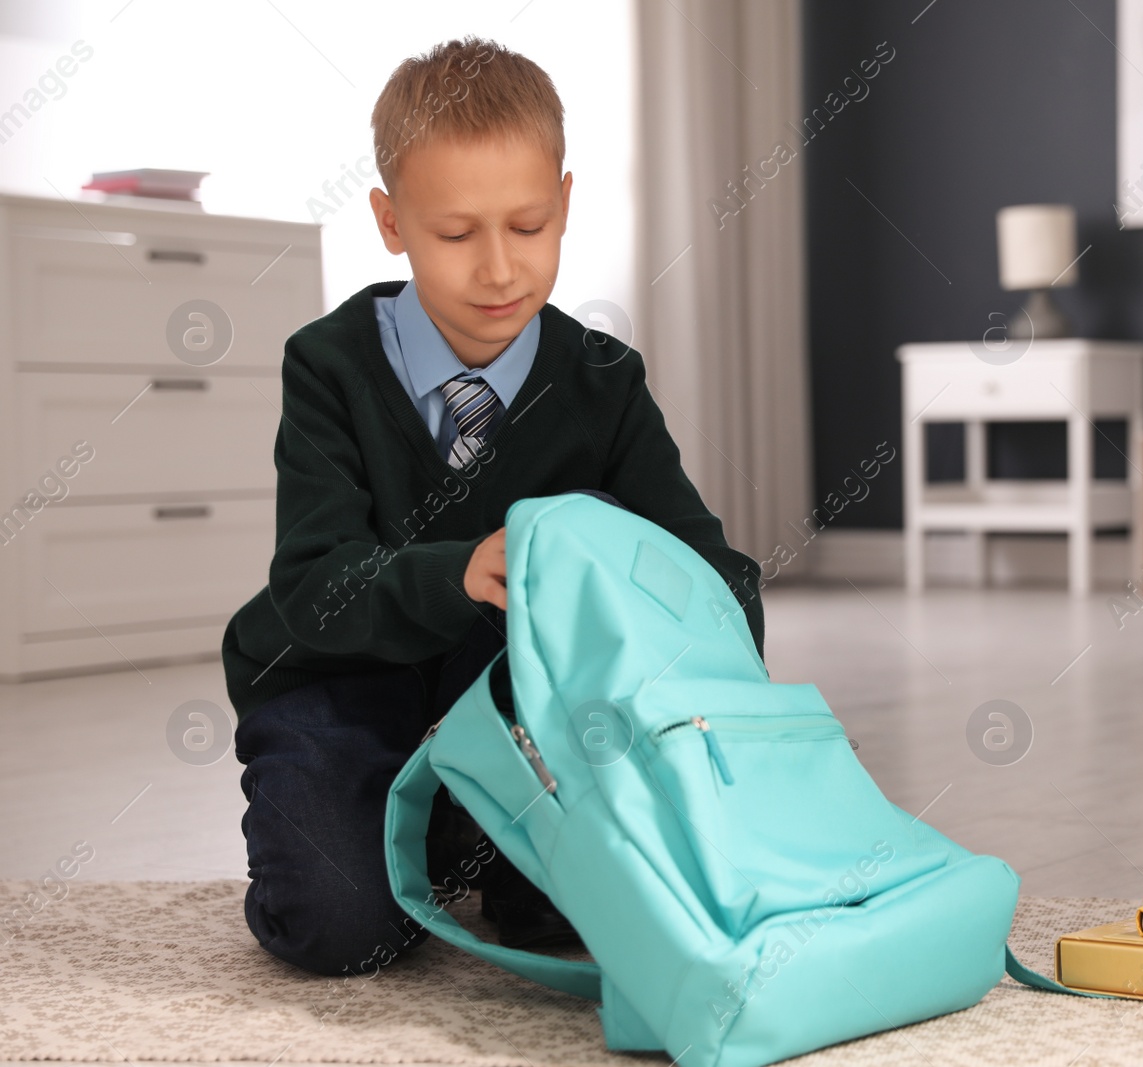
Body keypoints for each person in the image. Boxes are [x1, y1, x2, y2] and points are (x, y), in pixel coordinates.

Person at [220, 36, 764, 977]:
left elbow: (710, 570)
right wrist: (458, 572)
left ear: (565, 200)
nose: (501, 270)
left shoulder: (604, 381)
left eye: (529, 224)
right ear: (391, 223)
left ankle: (491, 827)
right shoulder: (328, 364)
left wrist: (694, 651)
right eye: (457, 234)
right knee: (342, 929)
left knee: (574, 917)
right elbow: (313, 588)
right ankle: (417, 826)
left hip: (528, 707)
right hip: (342, 685)